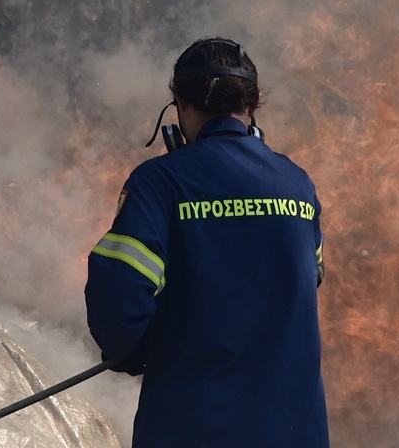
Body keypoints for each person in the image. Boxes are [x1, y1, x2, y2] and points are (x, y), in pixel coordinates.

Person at [85, 37, 329, 447]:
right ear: (251, 105)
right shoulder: (298, 185)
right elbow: (311, 275)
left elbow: (119, 298)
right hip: (295, 428)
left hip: (192, 426)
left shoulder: (160, 183)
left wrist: (136, 352)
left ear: (180, 103)